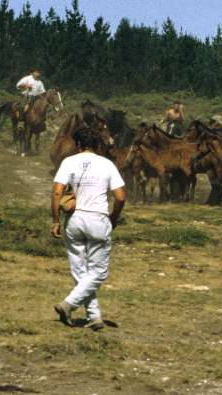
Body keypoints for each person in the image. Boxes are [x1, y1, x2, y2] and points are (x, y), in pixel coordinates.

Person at [51, 125, 127, 331]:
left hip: (75, 220)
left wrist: (56, 220)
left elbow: (57, 192)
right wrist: (114, 217)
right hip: (98, 219)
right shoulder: (107, 164)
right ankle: (68, 304)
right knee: (98, 273)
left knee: (80, 271)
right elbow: (120, 197)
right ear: (96, 144)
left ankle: (94, 317)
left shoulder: (68, 162)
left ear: (77, 144)